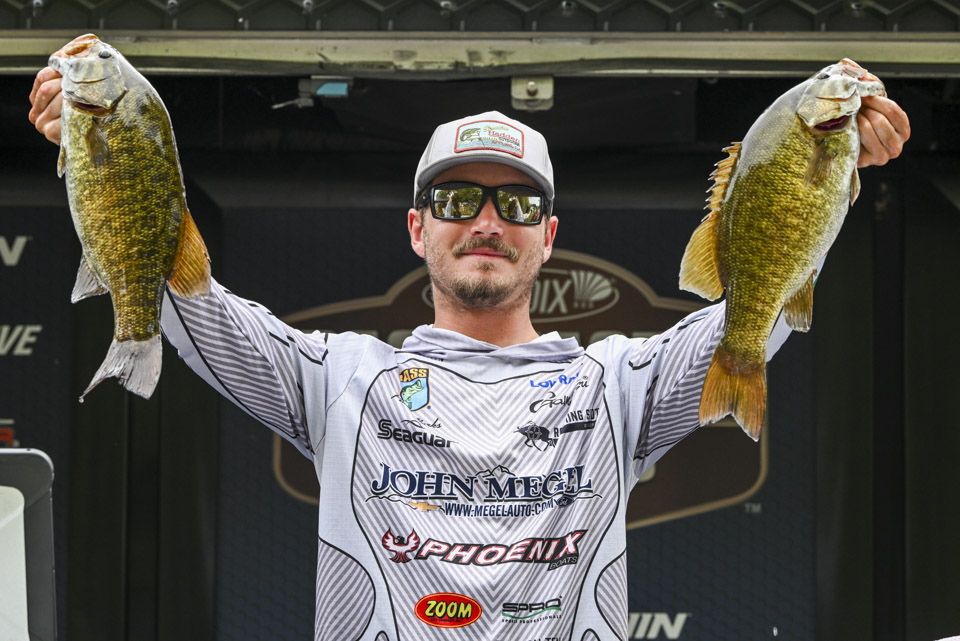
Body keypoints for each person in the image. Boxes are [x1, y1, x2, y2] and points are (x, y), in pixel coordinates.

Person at [29, 67, 909, 640]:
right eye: (458, 199)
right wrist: (104, 156)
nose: (487, 222)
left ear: (548, 238)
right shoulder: (339, 378)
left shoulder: (613, 387)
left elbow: (753, 309)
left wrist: (830, 172)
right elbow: (184, 297)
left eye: (517, 206)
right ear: (418, 227)